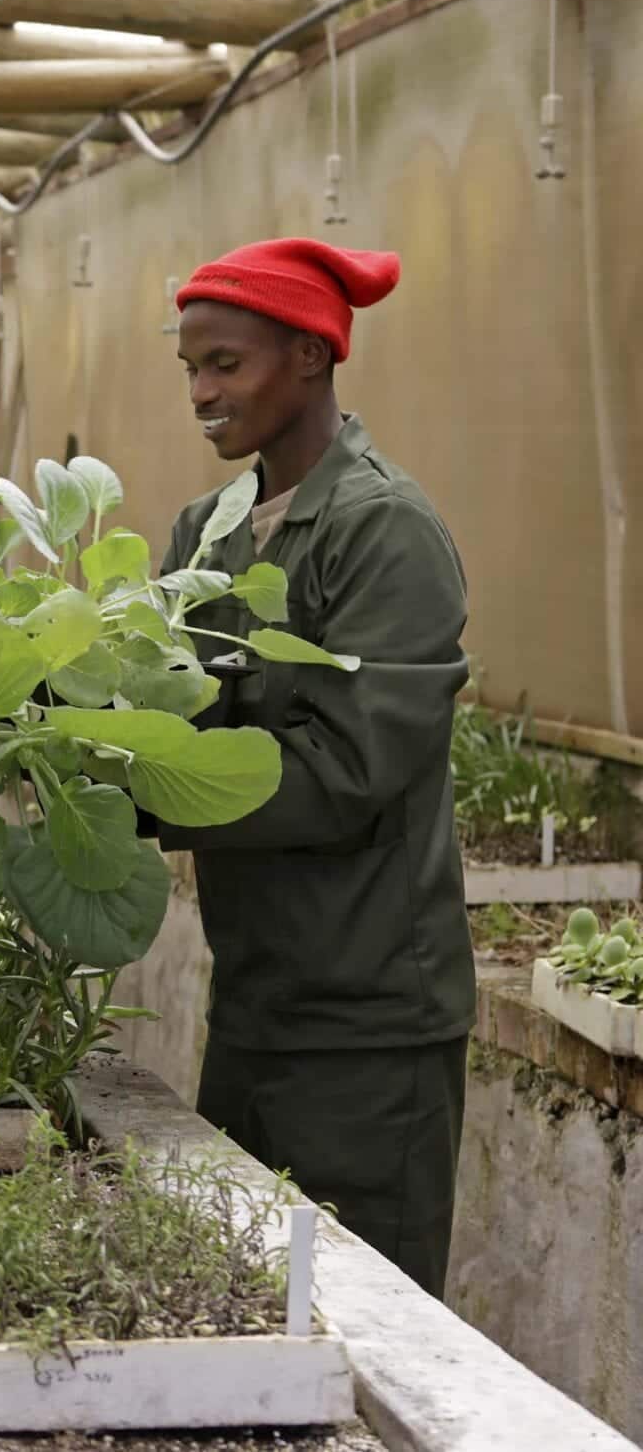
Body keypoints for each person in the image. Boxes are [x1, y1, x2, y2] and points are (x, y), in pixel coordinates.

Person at [154, 237, 473, 1299]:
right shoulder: (208, 532)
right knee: (240, 1304)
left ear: (309, 356)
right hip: (253, 1002)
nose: (201, 391)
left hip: (370, 1029)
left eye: (225, 364)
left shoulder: (382, 532)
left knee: (361, 1320)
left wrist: (143, 784)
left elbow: (344, 774)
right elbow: (169, 705)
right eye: (189, 366)